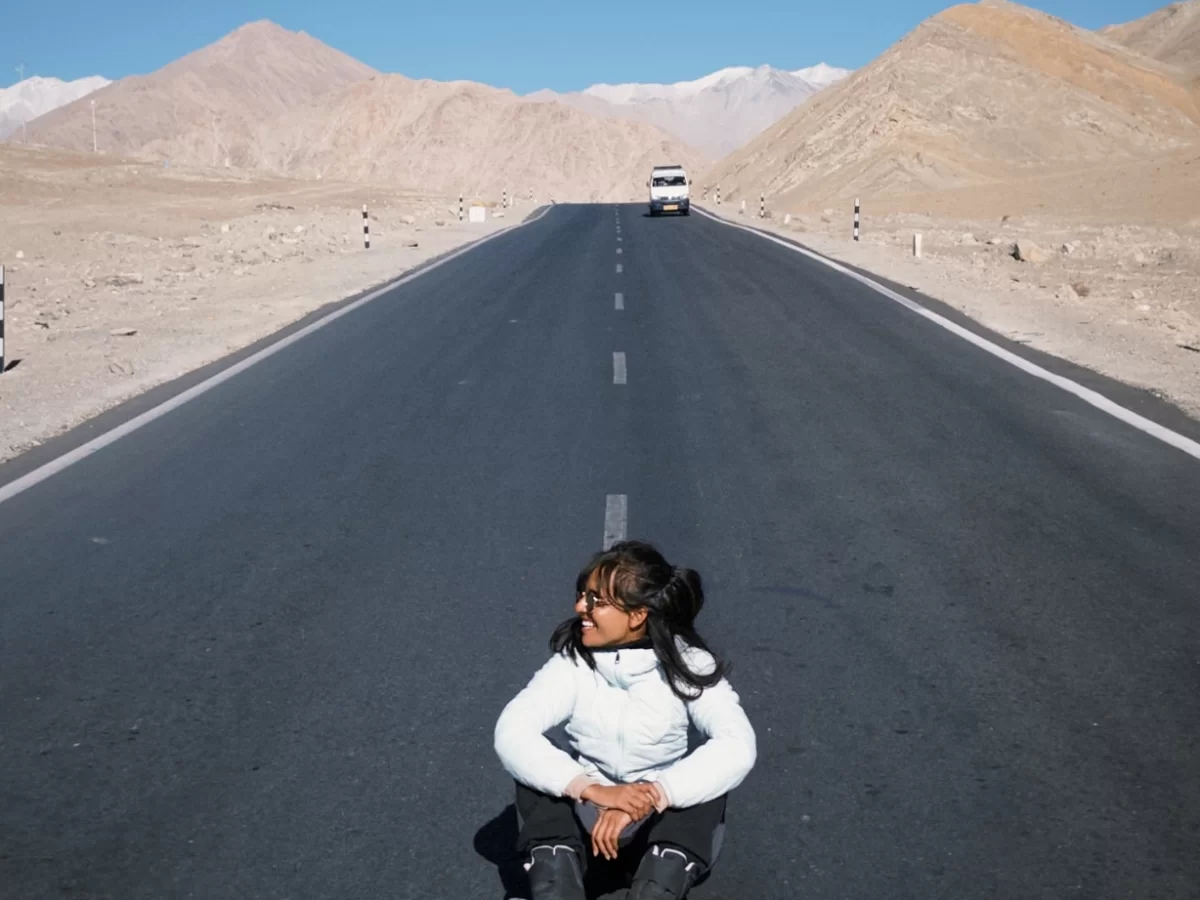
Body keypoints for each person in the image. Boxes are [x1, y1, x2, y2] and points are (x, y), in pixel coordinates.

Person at [494, 540, 757, 900]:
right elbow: (512, 731)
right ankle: (556, 884)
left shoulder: (688, 664)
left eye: (596, 601)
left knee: (706, 772)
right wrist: (593, 790)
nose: (579, 608)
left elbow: (737, 745)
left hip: (654, 830)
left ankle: (657, 886)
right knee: (537, 765)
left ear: (637, 616)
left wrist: (654, 795)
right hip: (586, 825)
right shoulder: (573, 664)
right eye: (582, 595)